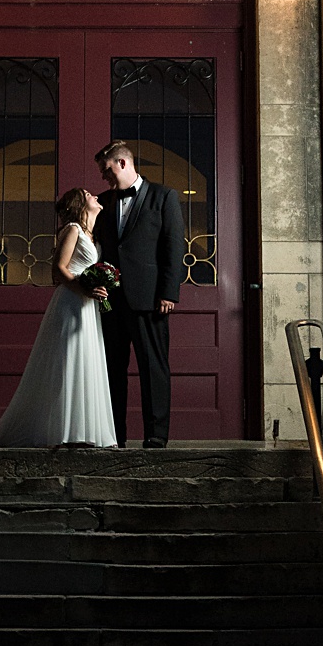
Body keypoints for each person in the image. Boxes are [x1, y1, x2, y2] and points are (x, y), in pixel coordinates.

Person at [0, 187, 116, 448]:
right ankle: (66, 432)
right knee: (69, 360)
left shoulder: (91, 234)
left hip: (87, 307)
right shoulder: (72, 229)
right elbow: (59, 270)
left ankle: (86, 432)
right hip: (71, 304)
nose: (95, 196)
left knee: (86, 360)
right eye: (88, 194)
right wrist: (86, 288)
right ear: (79, 204)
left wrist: (100, 286)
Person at [94, 140, 184, 448]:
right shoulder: (103, 202)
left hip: (151, 300)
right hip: (111, 302)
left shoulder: (164, 197)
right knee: (112, 371)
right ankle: (114, 435)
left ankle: (156, 435)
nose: (104, 179)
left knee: (153, 368)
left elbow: (174, 248)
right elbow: (100, 250)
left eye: (106, 171)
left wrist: (169, 292)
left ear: (122, 163)